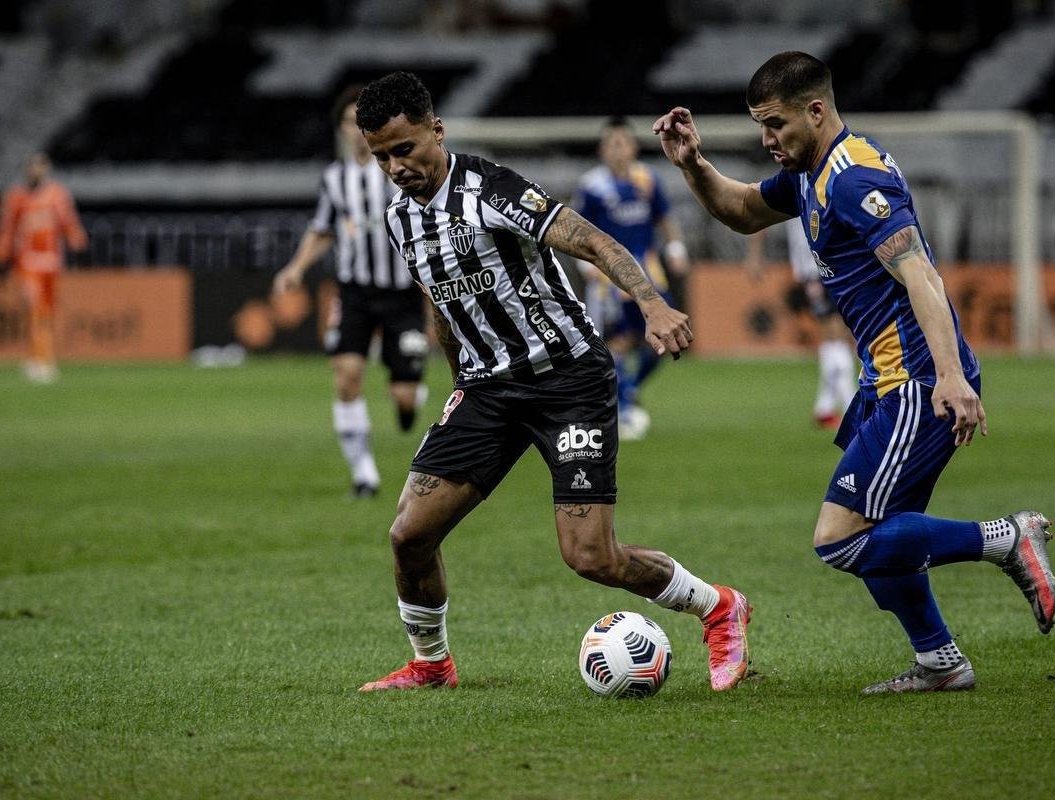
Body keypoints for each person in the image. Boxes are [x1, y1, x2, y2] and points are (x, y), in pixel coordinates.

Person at [655, 51, 1055, 694]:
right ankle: (940, 662)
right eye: (760, 126)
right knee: (882, 539)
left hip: (918, 382)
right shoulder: (809, 173)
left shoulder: (851, 177)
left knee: (840, 538)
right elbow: (739, 212)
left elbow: (920, 272)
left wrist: (950, 379)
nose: (767, 140)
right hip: (884, 384)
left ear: (816, 111)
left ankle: (1007, 538)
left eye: (776, 124)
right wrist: (694, 165)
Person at [352, 72, 751, 693]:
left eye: (405, 149)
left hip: (567, 380)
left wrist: (652, 304)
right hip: (488, 391)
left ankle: (720, 606)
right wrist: (460, 380)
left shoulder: (491, 190)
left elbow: (591, 241)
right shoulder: (401, 217)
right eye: (381, 157)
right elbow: (440, 301)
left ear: (437, 130)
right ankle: (432, 665)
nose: (395, 167)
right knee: (409, 533)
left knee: (590, 556)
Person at [273, 86, 430, 498]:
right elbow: (322, 230)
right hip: (355, 292)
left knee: (406, 395)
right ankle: (364, 475)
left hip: (402, 294)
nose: (357, 132)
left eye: (363, 124)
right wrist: (296, 268)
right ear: (341, 131)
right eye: (349, 124)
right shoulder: (334, 179)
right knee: (346, 377)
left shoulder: (403, 171)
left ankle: (407, 401)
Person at [573, 117, 691, 440]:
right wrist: (586, 266)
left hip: (650, 275)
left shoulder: (647, 180)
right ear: (601, 149)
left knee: (663, 343)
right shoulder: (591, 186)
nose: (617, 148)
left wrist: (676, 247)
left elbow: (664, 218)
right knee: (616, 342)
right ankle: (623, 405)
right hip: (609, 280)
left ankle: (631, 388)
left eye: (622, 142)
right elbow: (576, 229)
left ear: (633, 146)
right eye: (611, 143)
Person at [746, 222, 855, 429]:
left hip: (827, 262)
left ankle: (825, 408)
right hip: (819, 265)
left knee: (836, 334)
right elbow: (760, 210)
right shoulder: (797, 188)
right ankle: (851, 408)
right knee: (835, 332)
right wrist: (755, 255)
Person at [0, 152, 87, 383]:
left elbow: (68, 222)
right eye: (32, 166)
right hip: (27, 262)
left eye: (40, 166)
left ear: (46, 169)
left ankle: (40, 357)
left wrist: (78, 241)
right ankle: (41, 360)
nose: (36, 171)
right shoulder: (15, 197)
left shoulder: (57, 195)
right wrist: (0, 256)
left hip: (52, 262)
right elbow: (7, 228)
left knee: (47, 310)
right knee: (34, 308)